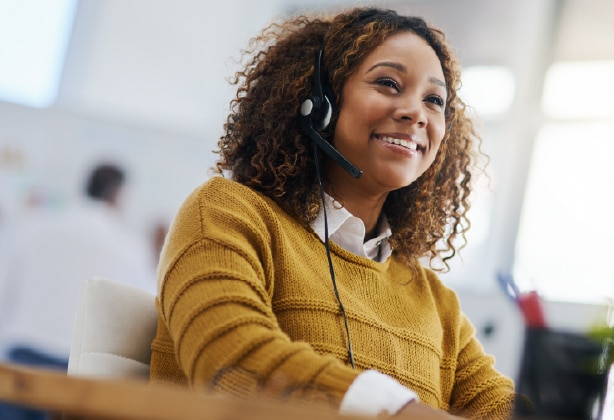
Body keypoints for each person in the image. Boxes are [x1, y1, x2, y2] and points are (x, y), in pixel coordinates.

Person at [150, 7, 515, 419]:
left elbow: (500, 408)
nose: (415, 112)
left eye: (434, 100)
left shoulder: (433, 299)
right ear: (317, 103)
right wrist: (397, 411)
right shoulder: (227, 213)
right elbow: (231, 362)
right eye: (388, 83)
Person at [0, 163, 156, 416]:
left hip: (20, 361)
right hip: (79, 373)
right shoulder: (129, 248)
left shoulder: (35, 226)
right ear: (118, 194)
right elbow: (140, 319)